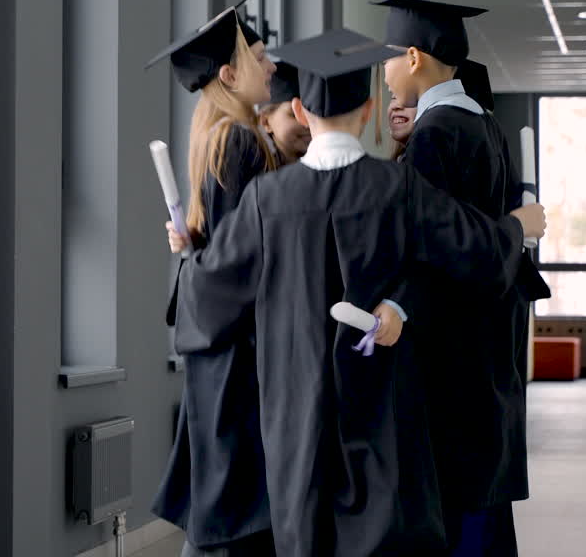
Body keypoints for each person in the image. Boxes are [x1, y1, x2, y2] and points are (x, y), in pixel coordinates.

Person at [170, 27, 548, 557]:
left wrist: (192, 253)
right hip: (380, 404)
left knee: (302, 532)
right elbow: (477, 251)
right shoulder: (398, 188)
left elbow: (206, 300)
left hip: (292, 408)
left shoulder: (266, 198)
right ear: (371, 110)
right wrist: (517, 225)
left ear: (300, 111)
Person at [373, 0, 551, 557]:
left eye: (388, 61)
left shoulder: (437, 133)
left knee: (453, 510)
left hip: (446, 355)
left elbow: (430, 244)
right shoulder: (483, 124)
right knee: (484, 500)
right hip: (487, 347)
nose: (383, 74)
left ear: (412, 57)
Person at [146, 1, 278, 556]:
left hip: (218, 343)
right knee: (231, 504)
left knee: (224, 495)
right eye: (259, 56)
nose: (270, 65)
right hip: (236, 346)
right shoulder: (239, 142)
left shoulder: (217, 137)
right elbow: (238, 256)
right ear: (228, 73)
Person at [257, 61, 311, 164]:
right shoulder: (256, 174)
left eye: (314, 112)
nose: (309, 123)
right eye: (294, 114)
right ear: (266, 122)